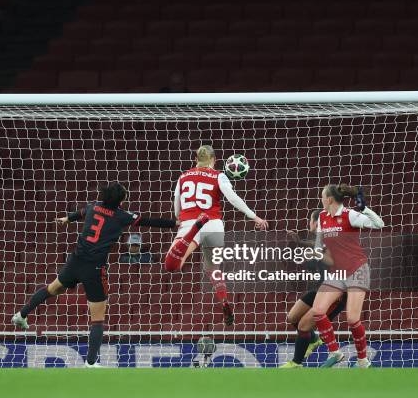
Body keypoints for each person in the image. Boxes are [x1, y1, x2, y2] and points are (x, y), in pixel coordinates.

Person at [11, 182, 177, 367]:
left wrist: (68, 218)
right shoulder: (122, 216)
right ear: (121, 200)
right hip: (94, 268)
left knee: (53, 288)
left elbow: (82, 212)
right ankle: (90, 363)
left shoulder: (93, 207)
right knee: (97, 318)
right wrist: (176, 223)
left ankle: (21, 314)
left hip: (75, 261)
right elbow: (150, 222)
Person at [164, 145, 268, 326]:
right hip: (214, 224)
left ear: (195, 157)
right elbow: (233, 198)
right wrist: (254, 217)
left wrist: (178, 217)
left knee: (174, 265)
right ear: (214, 159)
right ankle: (224, 300)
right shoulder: (219, 175)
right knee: (212, 268)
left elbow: (176, 203)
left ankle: (193, 231)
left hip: (190, 223)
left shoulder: (183, 176)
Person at [311, 184, 384, 368]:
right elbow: (319, 246)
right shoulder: (321, 217)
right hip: (337, 272)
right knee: (318, 311)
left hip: (357, 269)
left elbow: (379, 224)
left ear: (329, 199)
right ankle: (335, 352)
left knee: (352, 319)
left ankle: (362, 361)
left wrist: (364, 208)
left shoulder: (349, 215)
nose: (321, 200)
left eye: (322, 197)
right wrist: (313, 254)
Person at [278, 209, 348, 368]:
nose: (308, 223)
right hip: (320, 289)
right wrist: (301, 243)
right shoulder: (322, 239)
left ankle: (296, 363)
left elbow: (331, 259)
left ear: (316, 222)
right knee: (292, 318)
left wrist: (313, 254)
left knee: (303, 325)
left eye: (310, 220)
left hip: (334, 292)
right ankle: (313, 339)